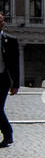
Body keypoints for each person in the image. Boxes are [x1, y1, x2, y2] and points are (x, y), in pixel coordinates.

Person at [0, 12, 18, 148]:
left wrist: (16, 84)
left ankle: (8, 134)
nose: (1, 23)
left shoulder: (10, 40)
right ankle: (8, 134)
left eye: (1, 21)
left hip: (3, 79)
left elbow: (15, 64)